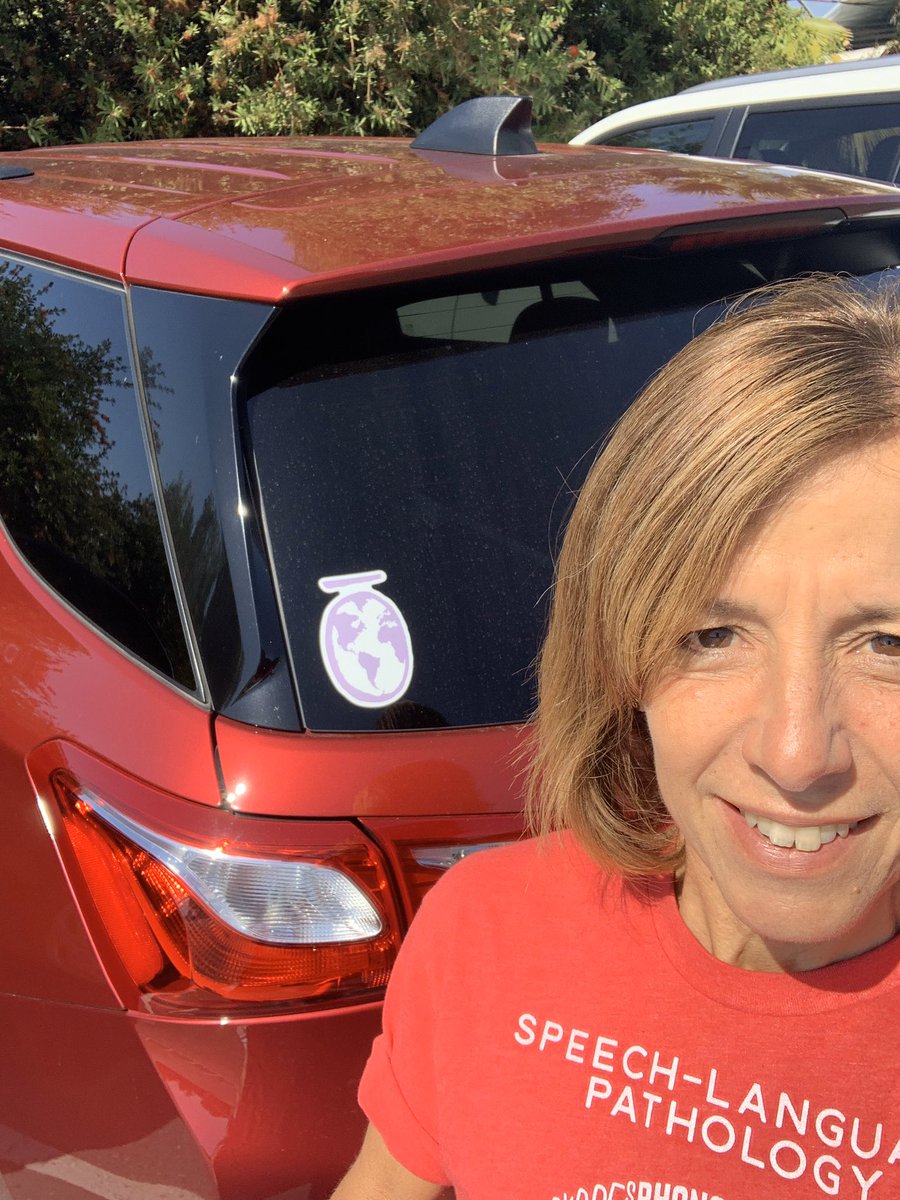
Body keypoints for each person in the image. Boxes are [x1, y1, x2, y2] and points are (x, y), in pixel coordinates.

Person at [330, 274, 900, 1200]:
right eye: (712, 636)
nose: (796, 756)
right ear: (621, 658)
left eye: (887, 643)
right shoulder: (487, 931)